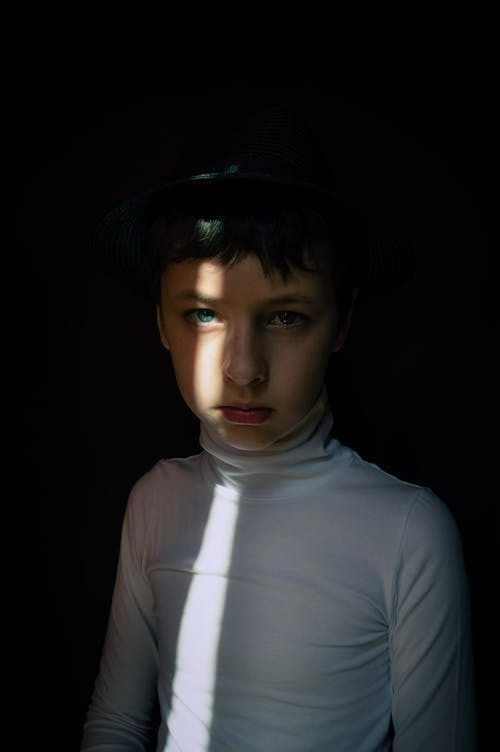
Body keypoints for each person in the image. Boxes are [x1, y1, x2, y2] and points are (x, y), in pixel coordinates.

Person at [80, 107, 476, 751]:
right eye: (204, 313)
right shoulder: (154, 503)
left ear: (341, 322)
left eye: (286, 317)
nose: (243, 368)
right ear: (160, 320)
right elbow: (119, 723)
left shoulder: (409, 535)